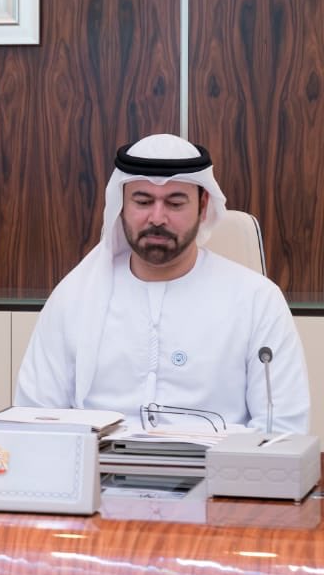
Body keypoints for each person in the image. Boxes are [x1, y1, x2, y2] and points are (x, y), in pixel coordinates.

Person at [15, 135, 309, 432]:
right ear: (121, 206)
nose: (157, 218)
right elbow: (35, 418)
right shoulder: (74, 297)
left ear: (203, 205)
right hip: (97, 475)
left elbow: (281, 431)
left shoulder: (257, 301)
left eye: (175, 203)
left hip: (220, 475)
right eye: (142, 201)